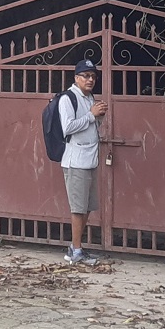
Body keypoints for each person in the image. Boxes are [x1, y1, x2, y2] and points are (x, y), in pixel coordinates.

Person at [58, 58, 106, 266]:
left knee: (87, 207)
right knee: (77, 208)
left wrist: (98, 116)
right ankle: (75, 251)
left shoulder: (89, 98)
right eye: (86, 76)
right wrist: (91, 115)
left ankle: (76, 247)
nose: (90, 79)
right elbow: (67, 128)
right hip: (75, 161)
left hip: (90, 160)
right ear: (76, 78)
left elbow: (91, 124)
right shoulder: (68, 99)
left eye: (93, 76)